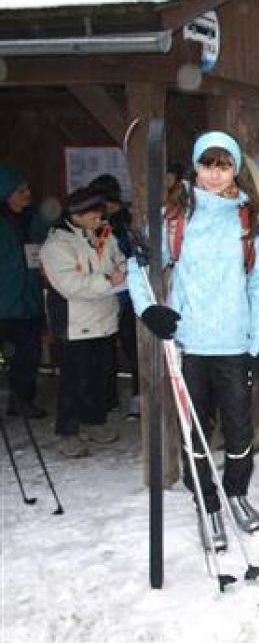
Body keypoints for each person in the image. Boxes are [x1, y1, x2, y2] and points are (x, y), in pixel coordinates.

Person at [128, 131, 259, 551]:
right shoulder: (173, 217)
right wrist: (149, 310)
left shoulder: (250, 221)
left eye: (224, 165)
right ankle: (207, 503)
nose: (215, 174)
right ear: (196, 166)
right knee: (193, 432)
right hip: (189, 343)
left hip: (234, 342)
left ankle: (236, 493)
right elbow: (139, 267)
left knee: (240, 429)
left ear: (234, 170)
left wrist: (258, 345)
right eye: (208, 164)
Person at [40, 187, 126, 457]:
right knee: (74, 379)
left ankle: (95, 421)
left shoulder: (102, 234)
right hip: (74, 321)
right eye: (94, 214)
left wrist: (120, 272)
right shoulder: (58, 244)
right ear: (76, 215)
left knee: (100, 375)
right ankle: (68, 431)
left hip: (104, 316)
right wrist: (107, 282)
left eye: (101, 213)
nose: (99, 218)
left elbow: (119, 260)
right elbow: (69, 285)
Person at [89, 174, 141, 420]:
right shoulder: (101, 223)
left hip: (131, 295)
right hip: (107, 293)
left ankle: (139, 399)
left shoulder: (128, 221)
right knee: (105, 348)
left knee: (135, 349)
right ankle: (107, 397)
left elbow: (134, 255)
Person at [0, 164, 49, 419]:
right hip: (4, 301)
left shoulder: (33, 219)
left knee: (28, 356)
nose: (27, 193)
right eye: (20, 190)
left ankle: (21, 401)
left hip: (27, 302)